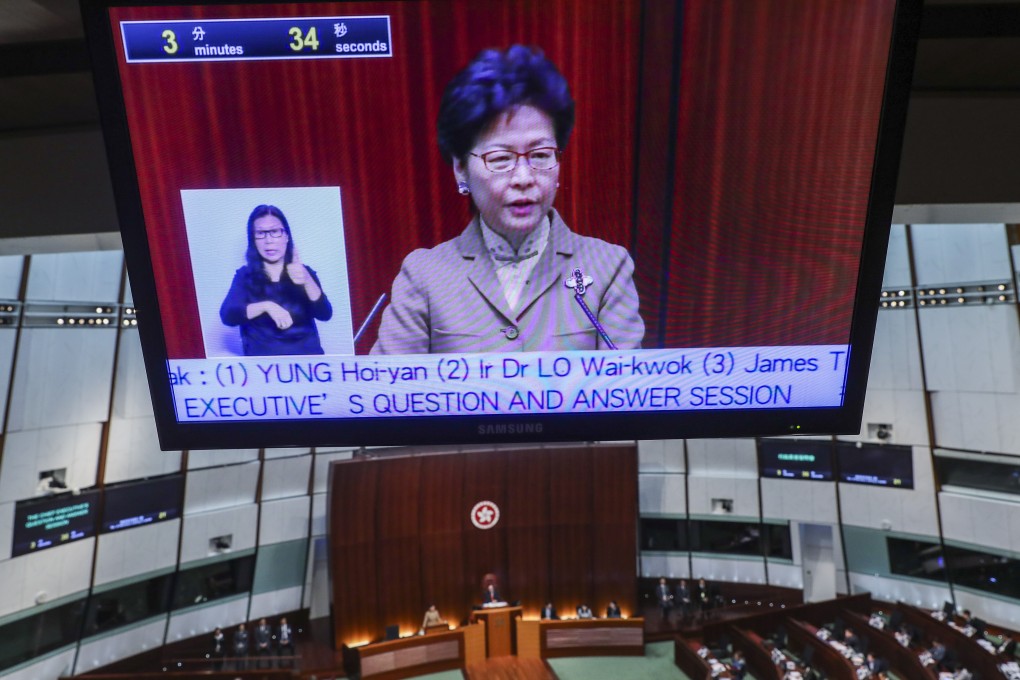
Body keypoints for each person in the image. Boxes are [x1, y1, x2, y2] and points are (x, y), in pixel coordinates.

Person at [372, 45, 644, 355]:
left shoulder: (608, 266)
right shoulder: (424, 275)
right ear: (461, 169)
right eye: (501, 159)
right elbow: (389, 395)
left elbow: (626, 391)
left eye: (541, 156)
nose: (524, 178)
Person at [220, 204, 332, 356]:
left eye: (275, 232)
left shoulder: (305, 272)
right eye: (260, 233)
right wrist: (267, 306)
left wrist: (306, 280)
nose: (268, 240)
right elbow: (228, 315)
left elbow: (325, 314)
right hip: (263, 369)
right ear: (253, 240)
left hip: (308, 365)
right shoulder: (245, 276)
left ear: (286, 236)